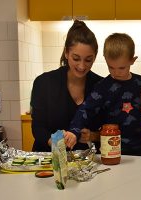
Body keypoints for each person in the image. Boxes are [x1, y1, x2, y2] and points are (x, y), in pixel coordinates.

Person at [68, 33, 141, 156]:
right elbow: (85, 110)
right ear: (105, 59)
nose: (116, 72)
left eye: (122, 68)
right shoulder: (102, 87)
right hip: (111, 150)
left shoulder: (140, 82)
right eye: (111, 67)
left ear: (132, 60)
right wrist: (73, 131)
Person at [30, 20, 103, 152]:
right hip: (49, 159)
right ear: (66, 53)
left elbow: (110, 128)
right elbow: (38, 127)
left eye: (88, 60)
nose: (82, 66)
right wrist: (53, 140)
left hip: (88, 163)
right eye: (76, 58)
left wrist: (93, 136)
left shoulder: (101, 86)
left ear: (95, 57)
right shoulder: (44, 83)